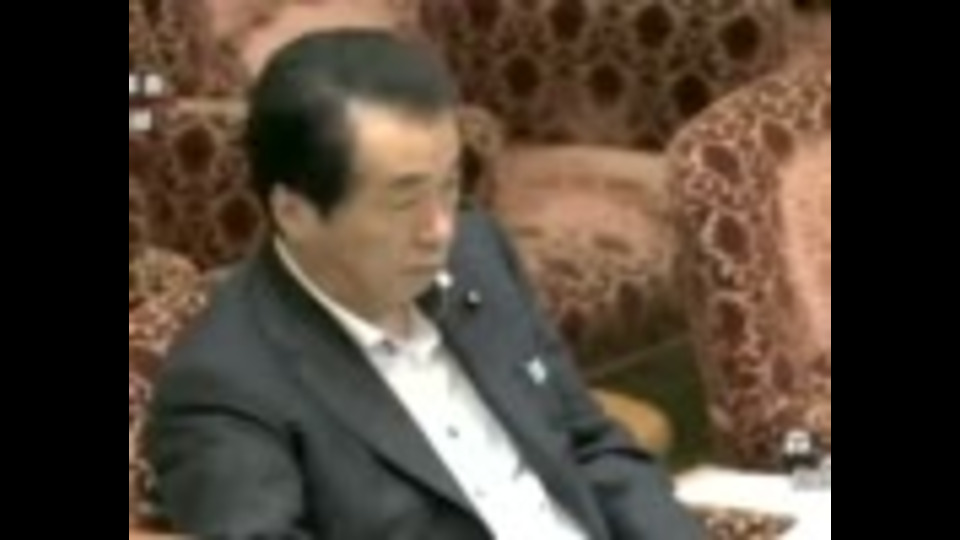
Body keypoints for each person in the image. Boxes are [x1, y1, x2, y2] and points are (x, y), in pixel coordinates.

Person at [145, 28, 705, 540]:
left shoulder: (478, 254)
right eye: (404, 200)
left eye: (450, 186)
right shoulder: (224, 388)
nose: (440, 230)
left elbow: (589, 444)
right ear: (295, 212)